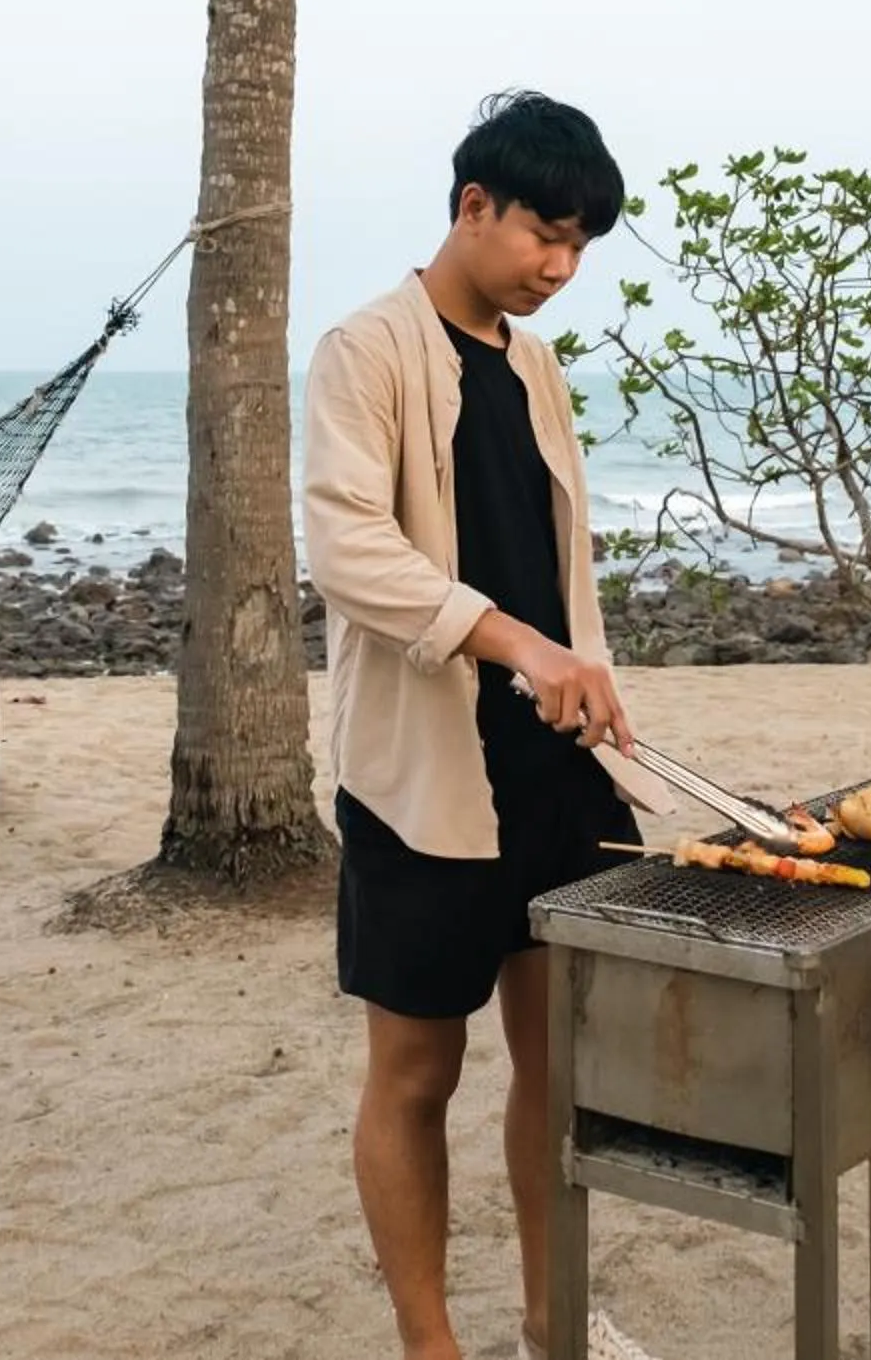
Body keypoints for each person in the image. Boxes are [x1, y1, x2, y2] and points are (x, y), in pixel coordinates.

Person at [303, 91, 675, 1360]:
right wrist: (514, 642)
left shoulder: (533, 359)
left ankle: (547, 1318)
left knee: (558, 1066)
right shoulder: (367, 348)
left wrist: (593, 676)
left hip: (552, 772)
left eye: (581, 246)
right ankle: (430, 1343)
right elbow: (347, 547)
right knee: (417, 1073)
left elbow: (563, 560)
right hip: (422, 777)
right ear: (473, 205)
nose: (561, 268)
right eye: (545, 235)